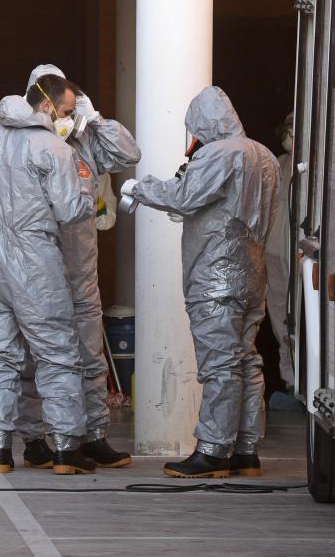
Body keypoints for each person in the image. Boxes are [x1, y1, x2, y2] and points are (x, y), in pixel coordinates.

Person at [126, 87, 278, 478]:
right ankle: (246, 450)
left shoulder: (219, 153)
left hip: (214, 274)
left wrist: (140, 188)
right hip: (252, 273)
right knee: (247, 360)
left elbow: (185, 197)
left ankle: (212, 451)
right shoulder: (264, 156)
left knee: (219, 364)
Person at [0, 78, 98, 475]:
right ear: (49, 106)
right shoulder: (51, 147)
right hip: (33, 260)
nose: (70, 119)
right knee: (56, 352)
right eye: (68, 111)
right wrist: (88, 191)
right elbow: (71, 210)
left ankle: (0, 450)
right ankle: (64, 448)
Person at [13, 65, 141, 470]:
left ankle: (94, 435)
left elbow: (128, 154)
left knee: (89, 354)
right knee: (37, 358)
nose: (68, 117)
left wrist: (95, 117)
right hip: (38, 269)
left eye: (74, 108)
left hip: (81, 268)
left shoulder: (84, 141)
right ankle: (36, 439)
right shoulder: (22, 143)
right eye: (64, 109)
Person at [265, 113, 299, 408]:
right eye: (286, 129)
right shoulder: (279, 164)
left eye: (293, 129)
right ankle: (291, 385)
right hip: (276, 255)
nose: (288, 135)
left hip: (305, 261)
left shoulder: (321, 169)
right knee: (281, 319)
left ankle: (312, 385)